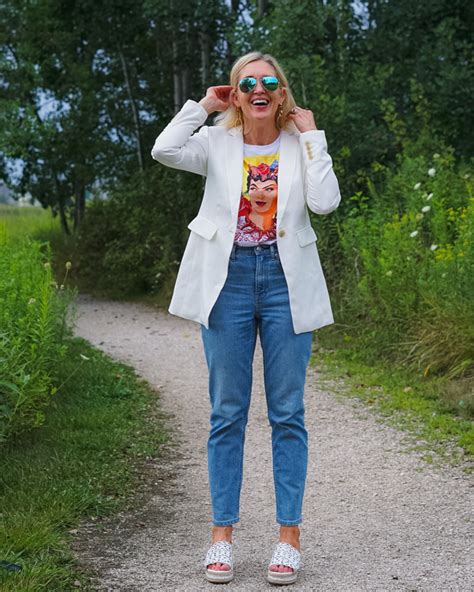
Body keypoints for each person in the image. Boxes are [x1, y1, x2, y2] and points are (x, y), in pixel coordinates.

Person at [151, 51, 341, 586]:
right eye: (247, 83)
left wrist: (313, 136)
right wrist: (202, 106)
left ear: (282, 93)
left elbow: (325, 203)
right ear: (236, 94)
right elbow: (164, 149)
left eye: (269, 82)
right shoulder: (215, 142)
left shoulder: (300, 146)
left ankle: (288, 539)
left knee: (287, 414)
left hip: (286, 282)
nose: (259, 89)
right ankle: (221, 539)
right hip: (226, 280)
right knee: (226, 412)